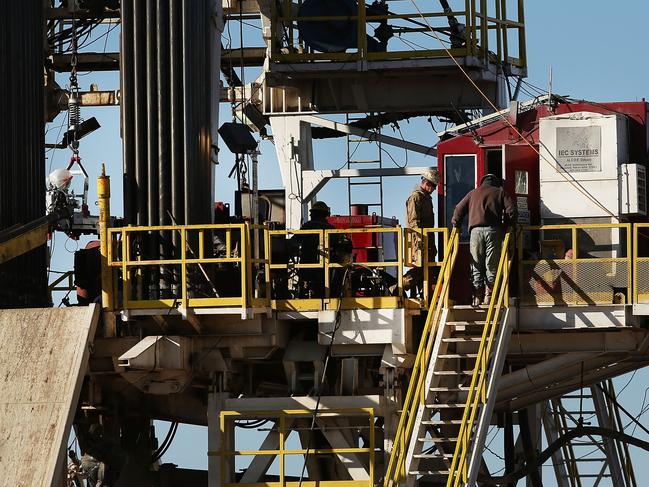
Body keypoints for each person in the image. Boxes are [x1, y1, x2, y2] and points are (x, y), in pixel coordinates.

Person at [451, 174, 517, 306]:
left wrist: (457, 225)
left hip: (475, 233)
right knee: (491, 263)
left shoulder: (472, 193)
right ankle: (489, 296)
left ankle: (477, 297)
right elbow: (512, 211)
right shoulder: (500, 192)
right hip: (494, 231)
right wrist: (508, 226)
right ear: (496, 183)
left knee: (476, 263)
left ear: (482, 182)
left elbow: (458, 209)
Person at [295, 201, 351, 297]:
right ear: (326, 214)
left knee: (305, 290)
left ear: (312, 214)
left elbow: (294, 242)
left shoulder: (307, 227)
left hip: (307, 269)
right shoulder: (331, 229)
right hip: (325, 271)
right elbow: (346, 247)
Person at [403, 168, 440, 295]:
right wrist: (419, 243)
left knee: (428, 269)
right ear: (426, 182)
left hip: (426, 241)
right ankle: (400, 285)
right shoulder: (416, 197)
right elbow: (414, 222)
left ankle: (423, 295)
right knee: (421, 269)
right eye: (433, 185)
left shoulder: (425, 198)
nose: (434, 189)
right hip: (419, 241)